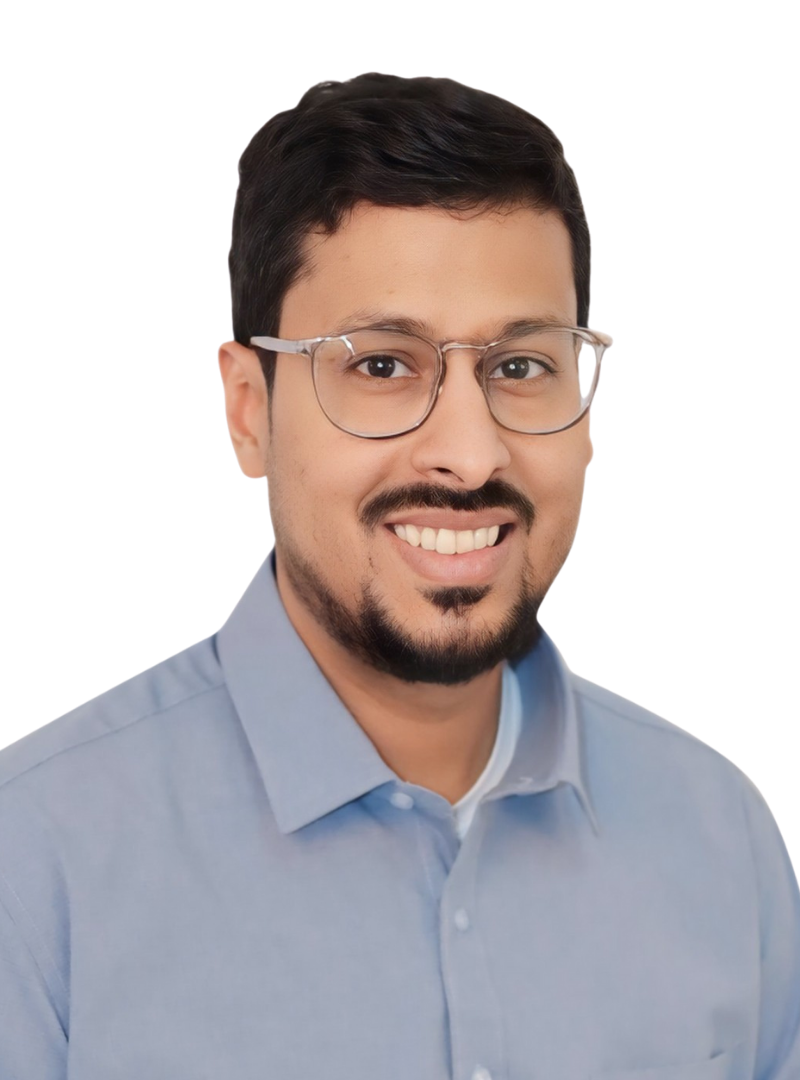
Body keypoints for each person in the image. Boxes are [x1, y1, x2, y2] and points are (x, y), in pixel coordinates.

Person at [1, 74, 797, 1080]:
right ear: (246, 410)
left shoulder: (717, 834)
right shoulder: (31, 864)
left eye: (519, 366)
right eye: (380, 365)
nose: (467, 455)